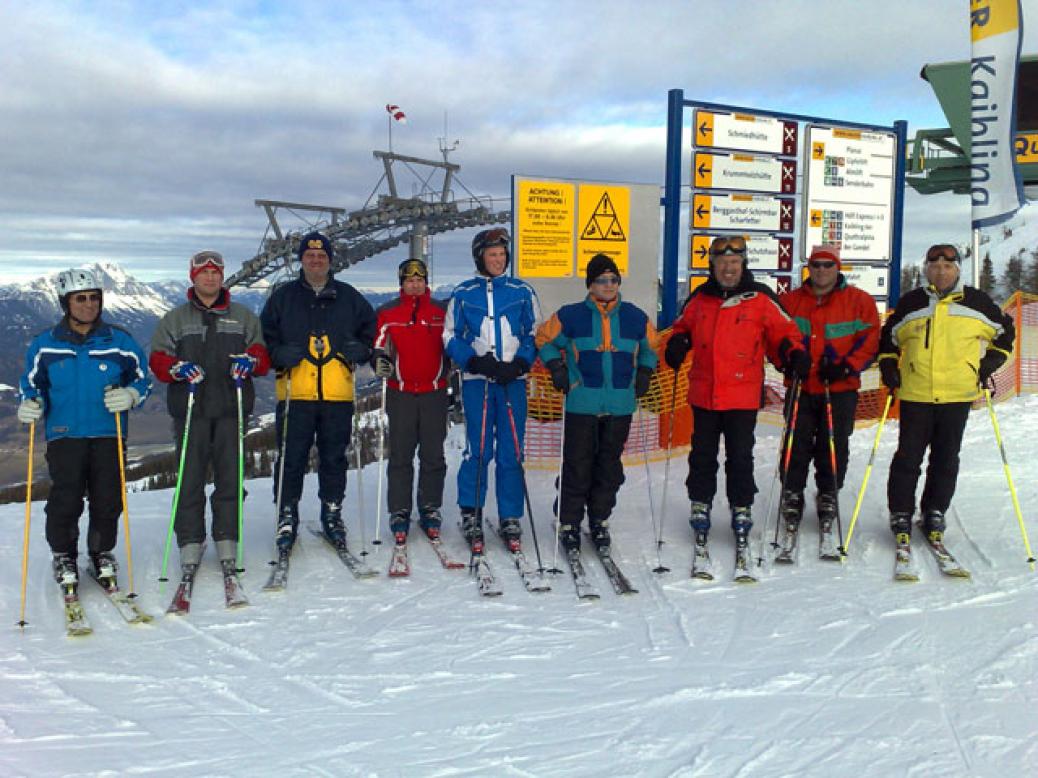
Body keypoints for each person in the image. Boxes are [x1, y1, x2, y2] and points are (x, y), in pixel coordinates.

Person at [663, 235, 808, 568]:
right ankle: (700, 503)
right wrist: (679, 342)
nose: (728, 269)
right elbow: (681, 326)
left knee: (740, 456)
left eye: (734, 262)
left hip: (742, 395)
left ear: (743, 264)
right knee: (702, 454)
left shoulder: (760, 298)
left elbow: (785, 332)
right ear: (712, 266)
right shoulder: (700, 298)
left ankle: (741, 505)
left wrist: (793, 352)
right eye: (722, 263)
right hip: (704, 393)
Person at [17, 268, 152, 590]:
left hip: (109, 432)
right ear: (66, 303)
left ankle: (101, 553)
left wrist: (132, 395)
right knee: (66, 499)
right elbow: (31, 383)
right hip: (65, 434)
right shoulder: (45, 344)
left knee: (107, 499)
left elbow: (143, 378)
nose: (89, 304)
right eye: (81, 299)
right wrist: (31, 402)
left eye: (94, 298)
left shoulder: (119, 340)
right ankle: (63, 555)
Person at [879, 243, 1014, 547]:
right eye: (935, 266)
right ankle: (900, 511)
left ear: (957, 270)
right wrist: (889, 365)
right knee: (907, 457)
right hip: (916, 392)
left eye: (947, 267)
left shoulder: (976, 302)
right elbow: (888, 338)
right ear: (927, 269)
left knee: (945, 458)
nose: (941, 271)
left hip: (957, 393)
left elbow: (1005, 331)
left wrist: (988, 363)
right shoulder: (912, 303)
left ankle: (934, 511)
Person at [149, 250, 270, 577]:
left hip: (232, 409)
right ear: (193, 277)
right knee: (190, 479)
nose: (211, 277)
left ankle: (227, 537)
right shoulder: (176, 318)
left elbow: (262, 354)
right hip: (191, 412)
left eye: (216, 272)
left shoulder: (243, 316)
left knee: (231, 478)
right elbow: (158, 358)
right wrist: (176, 368)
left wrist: (251, 361)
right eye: (204, 272)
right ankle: (190, 539)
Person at [260, 231, 376, 550]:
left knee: (333, 458)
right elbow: (263, 336)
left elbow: (371, 331)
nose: (316, 261)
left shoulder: (349, 296)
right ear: (301, 259)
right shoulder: (284, 297)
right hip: (295, 392)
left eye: (322, 256)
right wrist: (276, 354)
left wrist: (361, 350)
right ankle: (287, 514)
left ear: (329, 261)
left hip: (337, 394)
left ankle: (332, 512)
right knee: (291, 459)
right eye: (310, 256)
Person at [536, 253, 658, 554]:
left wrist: (644, 371)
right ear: (591, 284)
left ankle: (600, 519)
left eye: (613, 279)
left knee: (609, 467)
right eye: (602, 280)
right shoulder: (571, 315)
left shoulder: (635, 317)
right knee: (577, 465)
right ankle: (569, 522)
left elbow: (650, 348)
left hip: (620, 404)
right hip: (582, 403)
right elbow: (544, 339)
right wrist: (557, 367)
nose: (609, 285)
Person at [443, 227, 541, 553]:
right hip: (478, 381)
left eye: (502, 255)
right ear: (480, 257)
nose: (498, 260)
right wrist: (473, 361)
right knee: (479, 448)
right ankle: (470, 510)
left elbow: (535, 331)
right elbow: (450, 336)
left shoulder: (521, 290)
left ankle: (510, 514)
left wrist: (521, 363)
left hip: (512, 381)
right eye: (492, 255)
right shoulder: (463, 292)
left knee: (512, 450)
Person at [775, 245, 880, 541]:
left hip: (840, 388)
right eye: (816, 265)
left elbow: (870, 340)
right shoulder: (791, 301)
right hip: (802, 386)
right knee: (796, 443)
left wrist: (847, 367)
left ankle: (828, 493)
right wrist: (790, 360)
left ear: (838, 268)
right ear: (809, 267)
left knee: (833, 445)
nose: (821, 270)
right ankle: (792, 492)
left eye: (828, 265)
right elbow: (776, 336)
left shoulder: (859, 301)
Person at [371, 257, 449, 545]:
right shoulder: (388, 312)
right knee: (401, 454)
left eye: (420, 279)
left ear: (426, 282)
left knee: (433, 454)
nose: (415, 284)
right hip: (400, 392)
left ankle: (430, 507)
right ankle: (399, 510)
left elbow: (451, 344)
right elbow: (378, 344)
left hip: (434, 391)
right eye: (409, 280)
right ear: (401, 283)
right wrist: (379, 359)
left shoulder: (441, 311)